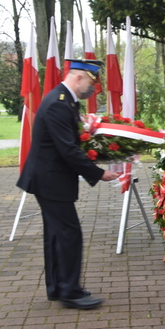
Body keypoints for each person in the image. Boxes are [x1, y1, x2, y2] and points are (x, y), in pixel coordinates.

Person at [17, 59, 120, 310]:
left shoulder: (65, 100)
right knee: (68, 234)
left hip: (50, 178)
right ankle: (70, 292)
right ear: (78, 78)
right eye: (91, 84)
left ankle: (60, 288)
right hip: (50, 180)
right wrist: (97, 173)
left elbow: (72, 141)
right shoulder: (58, 104)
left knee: (57, 235)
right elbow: (68, 150)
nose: (93, 90)